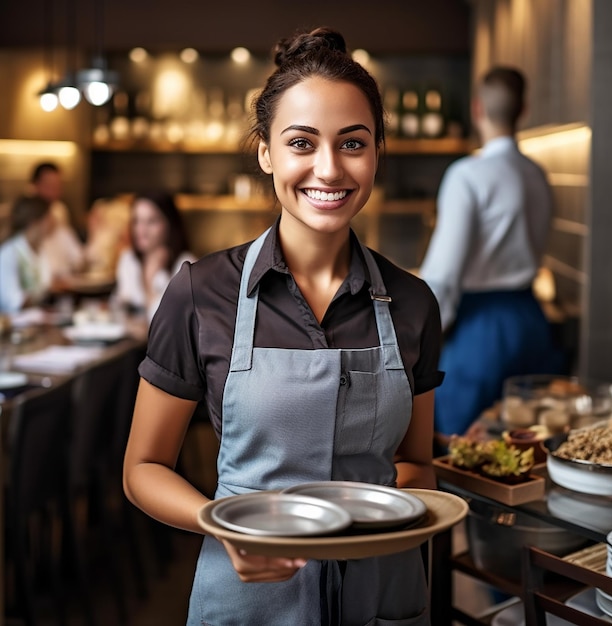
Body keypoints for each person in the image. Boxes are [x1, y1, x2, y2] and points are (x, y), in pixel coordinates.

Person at [123, 27, 443, 625]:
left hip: (383, 595)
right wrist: (219, 526)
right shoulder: (201, 293)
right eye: (302, 142)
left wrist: (363, 514)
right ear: (266, 152)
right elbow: (143, 468)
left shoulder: (413, 302)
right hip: (248, 597)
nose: (329, 168)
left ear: (377, 152)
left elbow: (417, 465)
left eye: (353, 143)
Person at [420, 67, 564, 447]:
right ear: (524, 110)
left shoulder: (467, 175)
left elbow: (443, 276)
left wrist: (421, 339)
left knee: (463, 449)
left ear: (476, 108)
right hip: (532, 322)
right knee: (529, 446)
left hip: (481, 330)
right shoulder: (538, 174)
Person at [114, 191, 196, 321]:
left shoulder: (186, 265)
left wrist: (153, 275)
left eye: (151, 221)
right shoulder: (129, 260)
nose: (142, 230)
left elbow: (169, 321)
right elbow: (118, 309)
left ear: (169, 224)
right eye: (137, 221)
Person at [30, 162, 86, 283]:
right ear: (35, 186)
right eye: (49, 186)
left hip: (63, 284)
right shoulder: (24, 216)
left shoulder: (59, 210)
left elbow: (76, 256)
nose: (55, 191)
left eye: (58, 186)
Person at [0, 195, 53, 313]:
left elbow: (46, 286)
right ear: (34, 223)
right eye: (47, 220)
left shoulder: (40, 250)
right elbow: (13, 301)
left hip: (37, 319)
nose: (51, 224)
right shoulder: (8, 253)